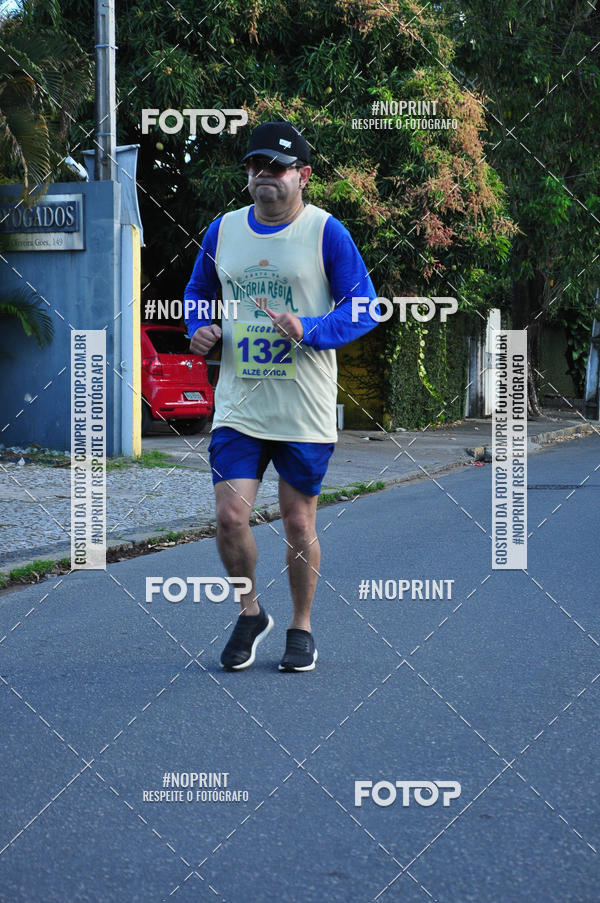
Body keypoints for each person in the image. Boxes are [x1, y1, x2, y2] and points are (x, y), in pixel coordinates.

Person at [184, 120, 378, 672]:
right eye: (255, 167)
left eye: (277, 167)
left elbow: (365, 306)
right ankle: (250, 612)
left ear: (304, 176)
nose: (264, 176)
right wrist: (199, 326)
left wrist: (311, 329)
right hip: (240, 405)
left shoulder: (327, 233)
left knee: (298, 522)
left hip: (304, 408)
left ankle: (301, 625)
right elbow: (198, 292)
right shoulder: (223, 231)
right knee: (229, 517)